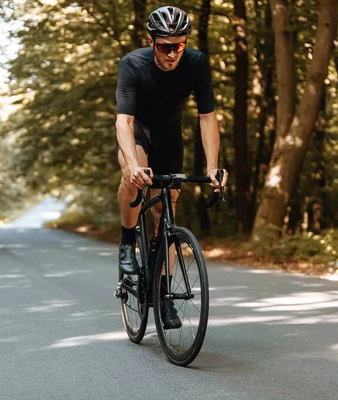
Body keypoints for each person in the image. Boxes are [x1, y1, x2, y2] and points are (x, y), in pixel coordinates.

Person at [115, 6, 228, 329]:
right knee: (134, 177)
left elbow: (207, 117)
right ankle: (126, 241)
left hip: (169, 137)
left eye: (178, 45)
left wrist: (212, 167)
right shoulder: (133, 64)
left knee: (165, 216)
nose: (172, 53)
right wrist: (134, 164)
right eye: (165, 46)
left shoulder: (196, 63)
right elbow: (124, 121)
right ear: (150, 42)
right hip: (138, 132)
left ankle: (164, 296)